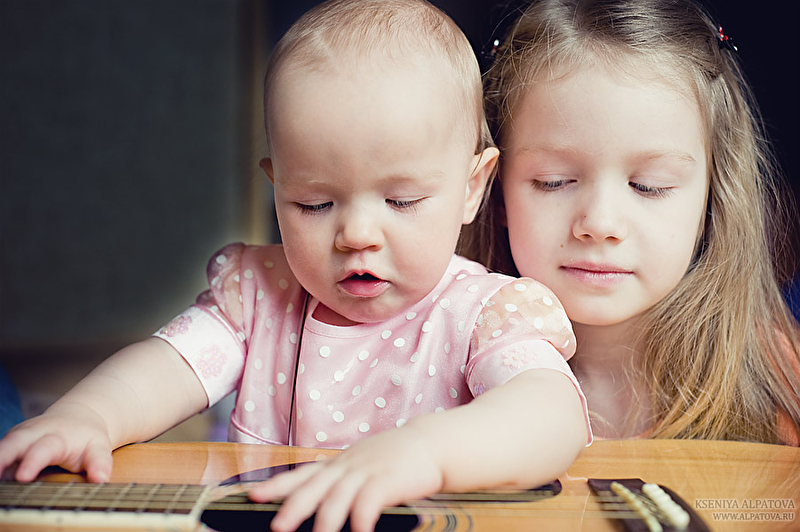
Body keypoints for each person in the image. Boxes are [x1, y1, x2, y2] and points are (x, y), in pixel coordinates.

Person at [0, 1, 591, 531]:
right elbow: (168, 365)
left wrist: (423, 454)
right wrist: (89, 415)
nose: (357, 235)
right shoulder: (258, 296)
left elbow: (552, 414)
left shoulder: (483, 314)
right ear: (277, 187)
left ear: (472, 188)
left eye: (401, 200)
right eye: (314, 203)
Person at [461, 0, 800, 445]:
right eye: (553, 181)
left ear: (712, 200)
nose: (600, 223)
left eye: (649, 186)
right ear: (495, 189)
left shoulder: (779, 379)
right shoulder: (427, 368)